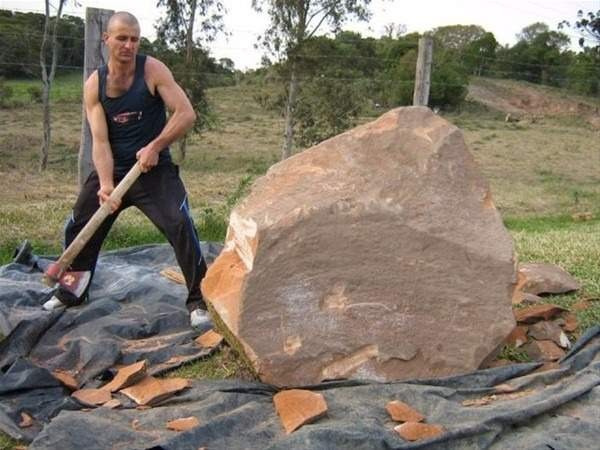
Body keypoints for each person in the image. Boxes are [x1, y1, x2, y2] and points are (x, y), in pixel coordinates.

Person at [43, 11, 211, 330]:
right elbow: (101, 140)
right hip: (115, 169)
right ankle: (73, 293)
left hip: (154, 170)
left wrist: (155, 146)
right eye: (121, 38)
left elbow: (186, 113)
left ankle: (199, 300)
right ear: (107, 40)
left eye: (134, 39)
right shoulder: (95, 84)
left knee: (180, 222)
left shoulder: (152, 70)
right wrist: (106, 184)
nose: (128, 45)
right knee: (78, 225)